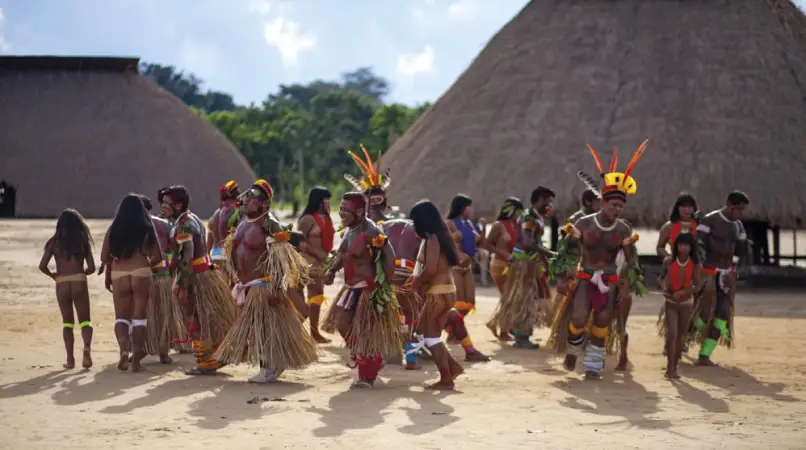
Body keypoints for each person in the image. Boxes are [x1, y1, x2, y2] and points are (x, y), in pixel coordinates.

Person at [340, 147, 489, 366]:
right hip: (389, 281)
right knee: (419, 322)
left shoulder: (408, 232)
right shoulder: (391, 229)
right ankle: (415, 356)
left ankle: (403, 353)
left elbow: (425, 267)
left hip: (392, 281)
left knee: (413, 321)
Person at [549, 139, 648, 380]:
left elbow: (630, 260)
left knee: (603, 321)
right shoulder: (583, 223)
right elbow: (566, 252)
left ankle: (593, 365)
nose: (617, 209)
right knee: (579, 317)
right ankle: (573, 350)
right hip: (585, 275)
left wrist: (625, 286)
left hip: (610, 278)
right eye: (613, 204)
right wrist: (563, 277)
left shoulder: (623, 230)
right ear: (603, 202)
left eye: (621, 206)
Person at [215, 180, 318, 383]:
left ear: (264, 204)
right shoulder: (244, 223)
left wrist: (276, 286)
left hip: (263, 285)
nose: (246, 201)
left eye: (252, 198)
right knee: (257, 328)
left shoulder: (270, 224)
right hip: (245, 286)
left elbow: (278, 258)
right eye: (246, 197)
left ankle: (268, 367)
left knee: (263, 327)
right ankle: (274, 363)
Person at [324, 192, 403, 388]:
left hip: (369, 289)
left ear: (359, 211)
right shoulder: (350, 230)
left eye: (346, 210)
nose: (341, 213)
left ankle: (367, 376)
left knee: (365, 332)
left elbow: (390, 258)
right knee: (342, 325)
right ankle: (372, 357)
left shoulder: (371, 231)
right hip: (351, 288)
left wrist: (382, 286)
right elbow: (342, 255)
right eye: (340, 209)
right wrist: (332, 270)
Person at [161, 185, 237, 375]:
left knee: (195, 318)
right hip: (205, 272)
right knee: (206, 318)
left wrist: (183, 284)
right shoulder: (191, 218)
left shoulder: (184, 224)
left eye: (166, 204)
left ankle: (205, 363)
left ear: (178, 205)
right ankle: (213, 357)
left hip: (196, 276)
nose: (162, 207)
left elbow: (187, 256)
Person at [486, 186, 555, 349]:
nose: (550, 205)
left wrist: (545, 261)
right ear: (540, 200)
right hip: (523, 263)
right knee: (524, 299)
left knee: (530, 298)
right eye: (548, 202)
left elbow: (533, 242)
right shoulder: (529, 216)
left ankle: (521, 333)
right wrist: (548, 253)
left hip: (530, 263)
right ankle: (521, 337)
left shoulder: (535, 216)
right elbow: (527, 242)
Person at [101, 195, 163, 372]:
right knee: (139, 319)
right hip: (141, 270)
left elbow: (104, 257)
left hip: (119, 272)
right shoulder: (147, 227)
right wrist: (146, 264)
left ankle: (123, 349)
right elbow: (158, 256)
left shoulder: (114, 228)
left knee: (121, 318)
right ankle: (136, 361)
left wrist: (115, 262)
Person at [407, 200, 465, 390]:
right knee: (422, 332)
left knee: (431, 337)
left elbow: (431, 269)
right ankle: (453, 367)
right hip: (445, 291)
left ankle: (447, 378)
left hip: (438, 295)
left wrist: (416, 281)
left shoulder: (432, 239)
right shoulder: (442, 236)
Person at [692, 191, 750, 366]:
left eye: (743, 210)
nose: (741, 214)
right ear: (730, 205)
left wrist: (733, 272)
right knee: (704, 311)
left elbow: (741, 251)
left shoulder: (738, 226)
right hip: (707, 272)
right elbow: (697, 246)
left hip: (726, 273)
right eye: (739, 209)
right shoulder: (710, 220)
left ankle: (705, 354)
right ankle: (686, 337)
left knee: (723, 314)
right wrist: (700, 273)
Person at [39, 209, 96, 369]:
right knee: (85, 320)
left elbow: (42, 266)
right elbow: (91, 267)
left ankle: (70, 360)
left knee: (67, 323)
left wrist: (54, 276)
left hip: (62, 282)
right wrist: (81, 273)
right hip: (79, 280)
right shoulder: (82, 241)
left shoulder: (54, 242)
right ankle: (86, 348)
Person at [138, 195, 184, 365]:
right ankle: (159, 352)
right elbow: (176, 249)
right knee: (159, 314)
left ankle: (152, 350)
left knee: (149, 313)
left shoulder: (142, 226)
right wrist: (170, 267)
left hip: (150, 275)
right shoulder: (164, 224)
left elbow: (175, 248)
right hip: (162, 274)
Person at [655, 192, 699, 355]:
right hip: (673, 272)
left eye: (690, 206)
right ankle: (670, 342)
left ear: (694, 208)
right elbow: (659, 247)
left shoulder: (699, 226)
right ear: (677, 208)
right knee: (673, 304)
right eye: (683, 206)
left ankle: (683, 341)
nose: (687, 209)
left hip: (693, 271)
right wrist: (670, 259)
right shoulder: (669, 226)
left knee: (691, 308)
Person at [658, 233, 701, 379]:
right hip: (670, 303)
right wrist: (664, 288)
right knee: (672, 335)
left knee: (681, 337)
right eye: (681, 245)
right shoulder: (668, 261)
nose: (684, 248)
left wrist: (683, 291)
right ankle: (670, 368)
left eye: (687, 245)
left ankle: (674, 366)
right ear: (676, 246)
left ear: (691, 247)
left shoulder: (694, 264)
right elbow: (661, 277)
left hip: (686, 303)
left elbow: (697, 285)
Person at [483, 197, 525, 341]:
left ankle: (496, 323)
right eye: (518, 211)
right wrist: (505, 254)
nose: (519, 215)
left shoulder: (517, 226)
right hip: (499, 265)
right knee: (508, 297)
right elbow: (486, 245)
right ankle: (503, 331)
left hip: (513, 266)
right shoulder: (498, 226)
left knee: (511, 298)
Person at [298, 186, 335, 343]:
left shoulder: (327, 218)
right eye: (326, 199)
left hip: (322, 263)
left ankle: (305, 331)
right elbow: (300, 242)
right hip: (309, 263)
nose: (328, 203)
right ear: (319, 201)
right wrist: (317, 254)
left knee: (315, 297)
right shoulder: (307, 219)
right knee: (316, 294)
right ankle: (312, 332)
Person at [445, 194, 487, 318]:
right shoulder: (449, 223)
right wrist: (458, 253)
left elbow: (480, 241)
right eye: (469, 207)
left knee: (469, 301)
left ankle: (456, 329)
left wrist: (484, 227)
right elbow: (445, 242)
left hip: (467, 267)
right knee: (456, 302)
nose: (471, 210)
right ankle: (454, 332)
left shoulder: (468, 224)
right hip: (454, 268)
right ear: (462, 208)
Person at [207, 180, 242, 285]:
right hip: (227, 255)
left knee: (220, 289)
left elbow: (210, 235)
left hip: (215, 254)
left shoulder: (216, 213)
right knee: (230, 289)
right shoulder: (235, 211)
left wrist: (209, 256)